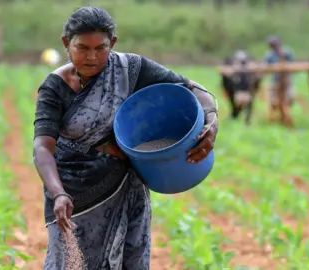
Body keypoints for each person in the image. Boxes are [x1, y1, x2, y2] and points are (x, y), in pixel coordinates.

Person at [32, 6, 219, 270]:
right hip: (72, 197)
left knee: (130, 260)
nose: (92, 57)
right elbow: (42, 146)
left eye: (101, 48)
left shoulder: (129, 68)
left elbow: (193, 89)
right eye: (82, 48)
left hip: (126, 188)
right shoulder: (54, 88)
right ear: (66, 43)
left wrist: (211, 122)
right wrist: (58, 193)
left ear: (113, 44)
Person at [263, 36, 296, 122]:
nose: (273, 46)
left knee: (289, 98)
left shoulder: (287, 52)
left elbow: (293, 65)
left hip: (287, 81)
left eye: (275, 44)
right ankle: (274, 118)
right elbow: (265, 66)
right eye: (271, 45)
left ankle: (285, 117)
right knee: (273, 101)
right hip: (275, 81)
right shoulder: (269, 55)